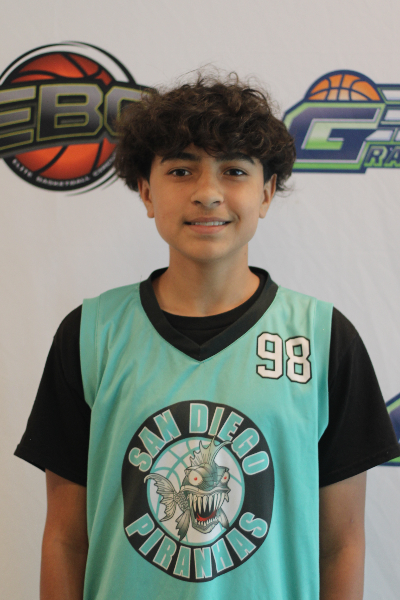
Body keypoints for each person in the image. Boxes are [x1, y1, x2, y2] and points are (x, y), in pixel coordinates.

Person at [15, 72, 400, 600]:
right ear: (146, 192)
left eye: (234, 171)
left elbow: (342, 543)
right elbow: (64, 539)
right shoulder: (90, 334)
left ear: (266, 193)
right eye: (181, 170)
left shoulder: (324, 339)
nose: (208, 193)